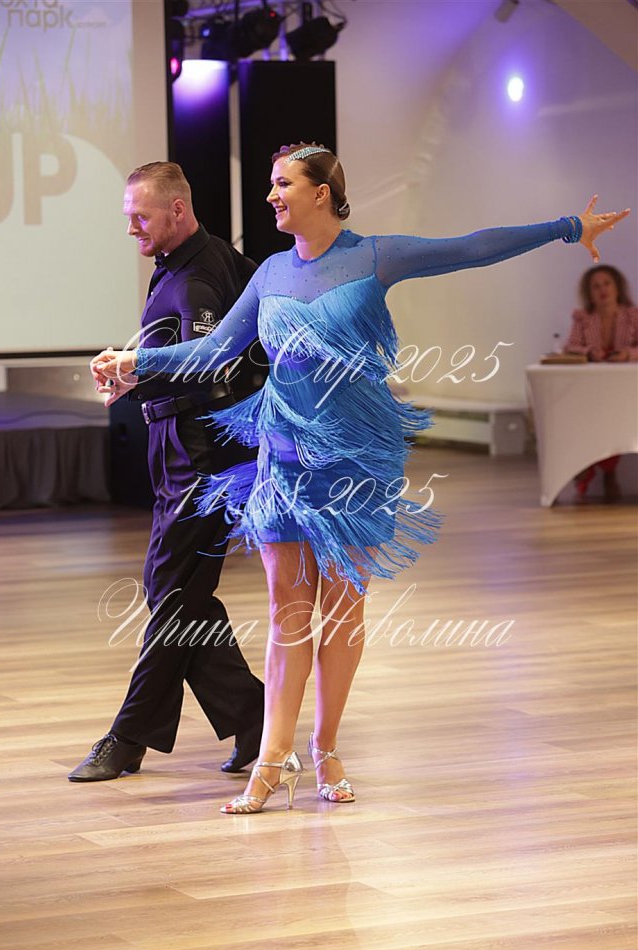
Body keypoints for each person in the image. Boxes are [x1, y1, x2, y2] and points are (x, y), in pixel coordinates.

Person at [90, 144, 630, 812]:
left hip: (353, 464)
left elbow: (471, 247)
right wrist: (135, 362)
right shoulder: (269, 274)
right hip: (284, 459)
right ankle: (271, 761)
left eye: (282, 183)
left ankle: (326, 748)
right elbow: (214, 349)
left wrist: (568, 228)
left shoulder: (376, 256)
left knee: (342, 611)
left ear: (321, 192)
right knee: (288, 616)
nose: (270, 195)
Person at [69, 162, 264, 783]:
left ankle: (128, 738)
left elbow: (210, 363)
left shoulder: (200, 275)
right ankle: (254, 715)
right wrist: (136, 378)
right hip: (184, 444)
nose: (131, 227)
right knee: (177, 594)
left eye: (140, 216)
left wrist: (134, 366)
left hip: (201, 454)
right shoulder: (189, 262)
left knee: (173, 596)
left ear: (178, 210)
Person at [563, 265, 638, 501]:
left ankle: (609, 473)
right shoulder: (583, 317)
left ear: (617, 287)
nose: (602, 290)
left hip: (624, 388)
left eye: (606, 284)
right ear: (589, 293)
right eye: (596, 286)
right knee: (585, 419)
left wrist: (627, 354)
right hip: (591, 388)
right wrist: (589, 352)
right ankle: (587, 467)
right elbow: (570, 346)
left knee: (615, 419)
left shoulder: (632, 315)